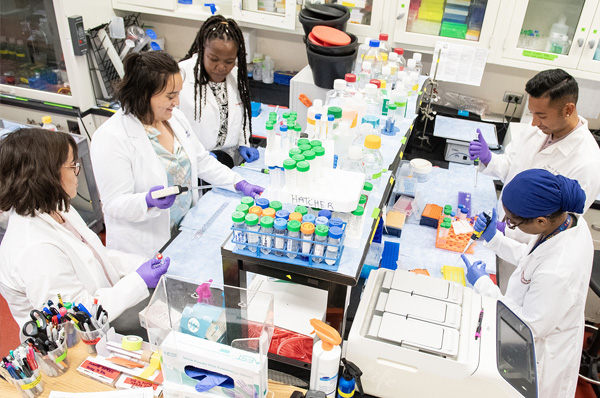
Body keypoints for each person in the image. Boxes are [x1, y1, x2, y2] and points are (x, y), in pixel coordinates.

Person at [91, 51, 263, 258]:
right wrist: (147, 201)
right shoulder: (112, 137)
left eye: (178, 94)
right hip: (144, 248)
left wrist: (237, 182)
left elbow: (201, 160)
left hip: (183, 231)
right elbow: (113, 204)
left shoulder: (174, 119)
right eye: (170, 96)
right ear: (144, 94)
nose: (177, 102)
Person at [0, 128, 170, 334]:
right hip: (79, 340)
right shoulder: (35, 248)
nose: (77, 172)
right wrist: (139, 280)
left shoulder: (58, 207)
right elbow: (74, 316)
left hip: (108, 313)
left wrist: (141, 264)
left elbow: (95, 254)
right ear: (46, 175)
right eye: (72, 166)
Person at [461, 169, 593, 398]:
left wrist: (483, 285)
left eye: (512, 223)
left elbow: (527, 326)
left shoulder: (558, 270)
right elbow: (532, 258)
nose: (508, 224)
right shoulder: (566, 222)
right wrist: (495, 239)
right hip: (547, 314)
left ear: (541, 221)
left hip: (541, 356)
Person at [468, 69, 600, 238]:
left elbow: (560, 228)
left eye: (542, 115)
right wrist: (489, 158)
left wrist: (506, 232)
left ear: (568, 109)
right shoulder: (537, 129)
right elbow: (511, 168)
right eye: (532, 113)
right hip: (500, 229)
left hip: (523, 251)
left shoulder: (588, 163)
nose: (534, 122)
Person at [179, 15, 259, 167]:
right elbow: (166, 126)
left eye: (229, 61)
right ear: (203, 49)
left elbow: (242, 117)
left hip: (227, 158)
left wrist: (244, 141)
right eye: (214, 59)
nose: (222, 67)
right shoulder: (180, 75)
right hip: (192, 162)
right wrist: (193, 153)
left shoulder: (236, 76)